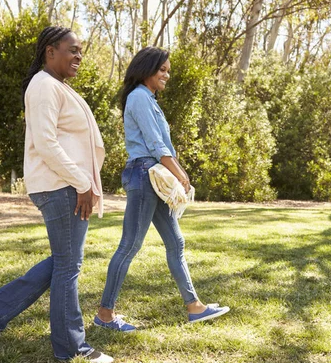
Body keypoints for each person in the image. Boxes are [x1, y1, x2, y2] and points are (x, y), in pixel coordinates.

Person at [0, 26, 113, 363]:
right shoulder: (43, 86)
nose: (78, 56)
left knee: (64, 261)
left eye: (81, 51)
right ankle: (71, 346)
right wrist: (82, 182)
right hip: (61, 186)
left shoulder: (56, 85)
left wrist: (85, 183)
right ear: (50, 51)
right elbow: (46, 144)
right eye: (72, 50)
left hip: (67, 185)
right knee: (68, 265)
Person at [94, 47, 230, 332]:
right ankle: (105, 315)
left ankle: (194, 307)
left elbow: (161, 145)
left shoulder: (149, 99)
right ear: (147, 70)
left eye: (168, 70)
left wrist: (176, 170)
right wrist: (180, 174)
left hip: (152, 177)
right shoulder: (140, 97)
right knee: (129, 245)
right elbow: (156, 145)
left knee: (175, 243)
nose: (167, 75)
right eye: (162, 70)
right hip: (145, 176)